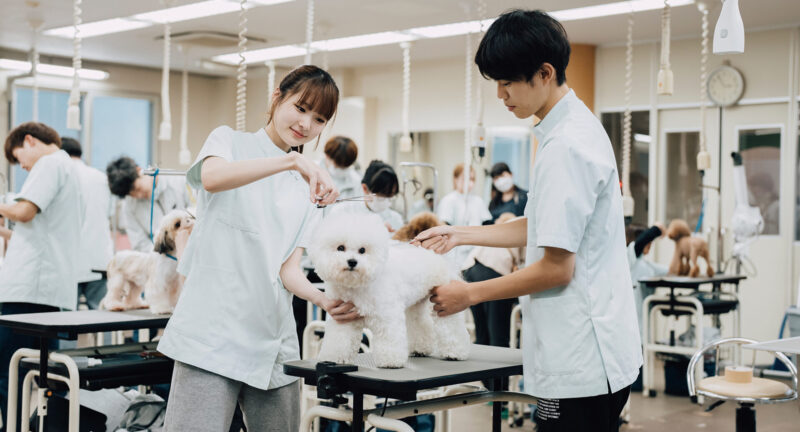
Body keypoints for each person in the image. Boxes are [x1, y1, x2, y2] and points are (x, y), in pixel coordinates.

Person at [413, 10, 641, 432]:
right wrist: (458, 233)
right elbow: (540, 224)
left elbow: (556, 269)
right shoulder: (574, 129)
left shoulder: (565, 147)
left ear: (545, 73)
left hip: (581, 357)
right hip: (594, 352)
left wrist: (469, 294)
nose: (500, 95)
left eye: (508, 82)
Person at [157, 65, 359, 431]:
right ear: (277, 96)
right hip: (210, 334)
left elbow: (288, 270)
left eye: (319, 119)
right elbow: (211, 178)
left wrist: (324, 299)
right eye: (300, 108)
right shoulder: (228, 141)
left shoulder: (306, 186)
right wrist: (292, 160)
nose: (306, 125)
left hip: (272, 336)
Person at [0, 122, 84, 431]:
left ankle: (13, 428)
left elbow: (24, 213)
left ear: (30, 140)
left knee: (10, 370)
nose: (21, 166)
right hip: (49, 288)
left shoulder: (48, 164)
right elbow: (39, 233)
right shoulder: (69, 169)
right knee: (41, 370)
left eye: (18, 157)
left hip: (29, 289)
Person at [61, 137, 113, 310]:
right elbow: (109, 215)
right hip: (100, 259)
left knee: (66, 320)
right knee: (102, 317)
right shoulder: (102, 178)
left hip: (69, 262)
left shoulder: (63, 176)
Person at [106, 156, 190, 252]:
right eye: (132, 195)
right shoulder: (129, 206)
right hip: (161, 255)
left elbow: (196, 212)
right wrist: (163, 253)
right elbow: (140, 244)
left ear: (139, 170)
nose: (139, 195)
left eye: (137, 189)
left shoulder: (177, 181)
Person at [437, 163, 491, 266]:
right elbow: (444, 226)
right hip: (455, 254)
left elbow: (487, 225)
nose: (469, 182)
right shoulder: (449, 200)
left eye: (472, 179)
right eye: (465, 178)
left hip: (476, 252)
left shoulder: (478, 201)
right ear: (455, 179)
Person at [330, 159, 404, 232]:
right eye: (381, 196)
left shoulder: (395, 219)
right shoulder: (343, 211)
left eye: (390, 196)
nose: (386, 201)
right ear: (365, 188)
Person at [625, 223, 668, 334]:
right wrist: (657, 228)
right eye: (648, 242)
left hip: (643, 323)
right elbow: (639, 244)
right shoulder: (628, 258)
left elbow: (671, 271)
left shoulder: (646, 265)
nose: (650, 244)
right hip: (630, 323)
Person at [320, 135, 361, 200]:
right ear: (327, 155)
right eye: (337, 165)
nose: (340, 169)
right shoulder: (312, 172)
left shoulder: (356, 180)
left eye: (345, 167)